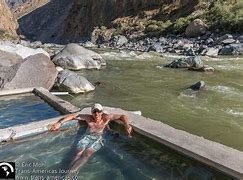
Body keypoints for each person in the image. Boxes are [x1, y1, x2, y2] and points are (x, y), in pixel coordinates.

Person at [49, 103, 132, 175]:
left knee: (87, 154)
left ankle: (69, 175)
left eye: (99, 111)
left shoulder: (106, 118)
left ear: (101, 112)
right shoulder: (88, 118)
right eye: (94, 111)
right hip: (86, 137)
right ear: (91, 112)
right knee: (78, 153)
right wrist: (59, 123)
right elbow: (73, 116)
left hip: (98, 139)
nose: (97, 114)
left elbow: (122, 116)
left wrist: (127, 125)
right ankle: (67, 173)